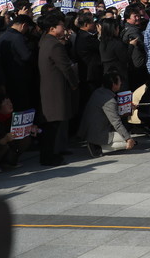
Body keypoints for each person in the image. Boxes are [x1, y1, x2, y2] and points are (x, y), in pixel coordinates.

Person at [37, 11, 79, 166]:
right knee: (52, 125)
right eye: (61, 25)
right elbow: (66, 67)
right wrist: (74, 83)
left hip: (49, 88)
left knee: (52, 124)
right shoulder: (54, 45)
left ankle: (51, 153)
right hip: (55, 89)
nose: (64, 28)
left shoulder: (45, 41)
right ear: (53, 28)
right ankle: (49, 156)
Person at [78, 71, 136, 158]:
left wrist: (128, 108)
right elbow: (116, 122)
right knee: (129, 141)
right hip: (98, 133)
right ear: (114, 84)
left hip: (90, 130)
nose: (121, 83)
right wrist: (128, 139)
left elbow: (112, 114)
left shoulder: (98, 92)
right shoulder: (109, 101)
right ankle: (99, 147)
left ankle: (96, 143)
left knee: (126, 137)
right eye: (119, 81)